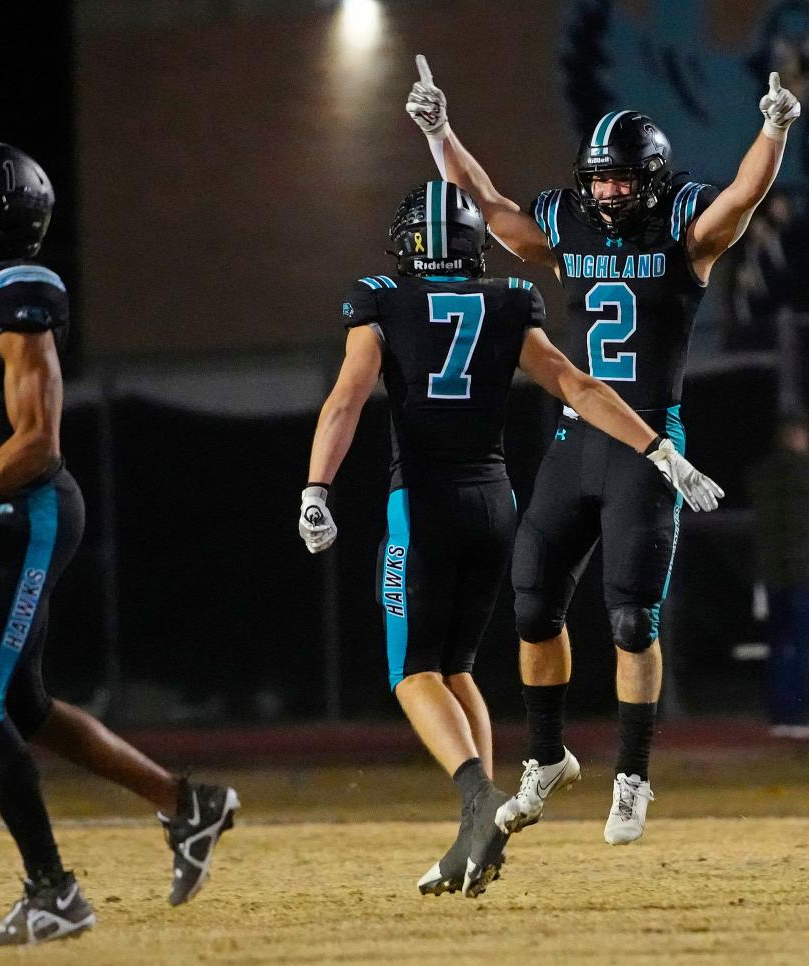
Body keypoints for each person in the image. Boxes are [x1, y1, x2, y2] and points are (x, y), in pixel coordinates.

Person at [405, 56, 799, 846]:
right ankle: (547, 759)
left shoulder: (685, 227)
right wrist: (439, 132)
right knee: (531, 602)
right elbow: (490, 207)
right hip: (575, 438)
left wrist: (774, 128)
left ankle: (631, 777)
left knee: (629, 618)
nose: (608, 192)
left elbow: (742, 200)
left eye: (621, 180)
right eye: (599, 179)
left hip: (649, 442)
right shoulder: (568, 221)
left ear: (651, 179)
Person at [298, 180, 721, 897]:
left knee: (412, 672)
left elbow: (346, 399)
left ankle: (475, 800)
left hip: (423, 502)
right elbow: (580, 388)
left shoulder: (380, 300)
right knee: (457, 665)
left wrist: (316, 489)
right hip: (495, 503)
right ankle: (477, 831)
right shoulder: (509, 301)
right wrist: (660, 449)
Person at [0, 142, 239, 945]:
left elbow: (36, 442)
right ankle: (189, 805)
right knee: (22, 706)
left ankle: (55, 894)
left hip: (26, 511)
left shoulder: (19, 293)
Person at [750, 413, 809, 736]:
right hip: (802, 574)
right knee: (801, 646)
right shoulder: (803, 473)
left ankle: (780, 713)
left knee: (779, 645)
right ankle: (798, 714)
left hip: (772, 574)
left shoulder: (763, 475)